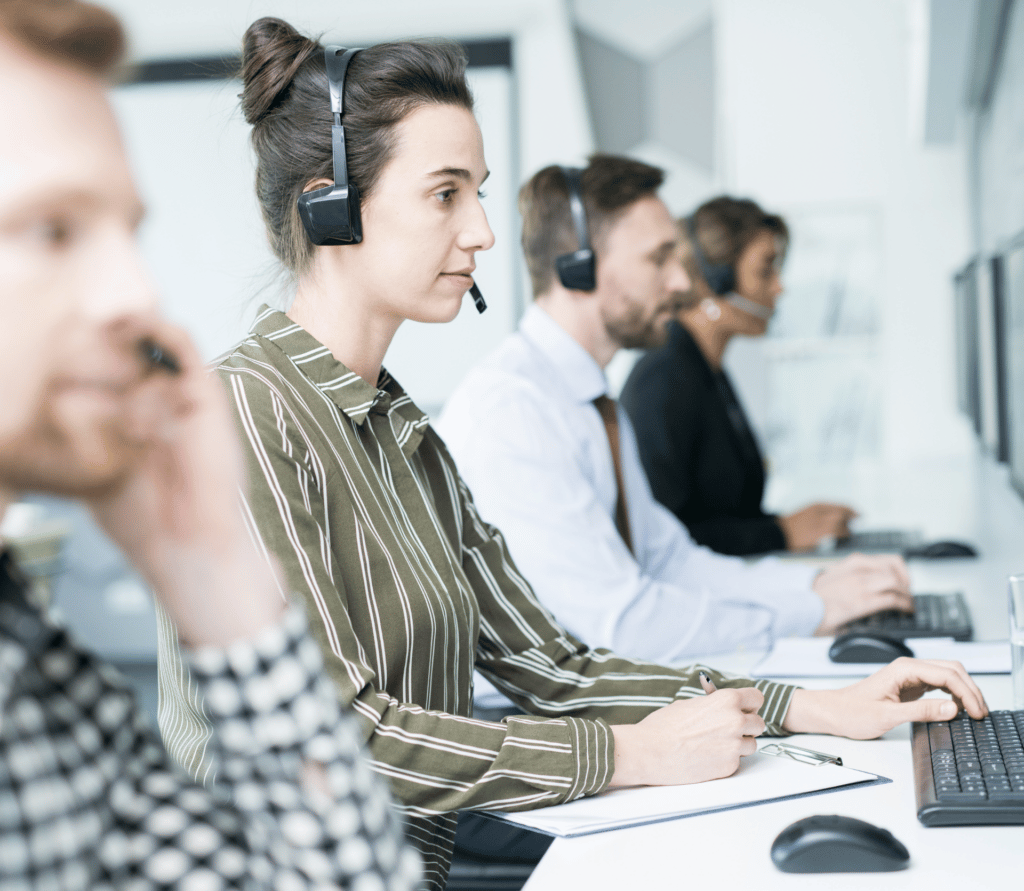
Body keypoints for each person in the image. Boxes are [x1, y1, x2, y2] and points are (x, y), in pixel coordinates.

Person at [154, 19, 987, 891]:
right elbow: (331, 739)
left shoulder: (404, 432)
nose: (480, 231)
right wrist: (628, 753)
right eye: (446, 194)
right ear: (330, 202)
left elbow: (553, 667)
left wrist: (812, 707)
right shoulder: (235, 415)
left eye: (477, 192)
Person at [0, 1, 421, 888]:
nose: (136, 291)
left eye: (127, 233)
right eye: (53, 229)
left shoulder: (31, 662)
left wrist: (210, 567)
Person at [439, 157, 910, 663]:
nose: (683, 284)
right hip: (547, 722)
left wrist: (815, 585)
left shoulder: (588, 402)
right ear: (581, 266)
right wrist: (807, 612)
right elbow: (624, 627)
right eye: (659, 258)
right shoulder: (514, 414)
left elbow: (670, 561)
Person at [619, 195, 858, 555]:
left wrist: (790, 526)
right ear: (716, 280)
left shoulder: (705, 369)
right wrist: (779, 533)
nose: (780, 287)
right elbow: (662, 540)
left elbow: (725, 512)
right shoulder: (665, 377)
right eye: (766, 270)